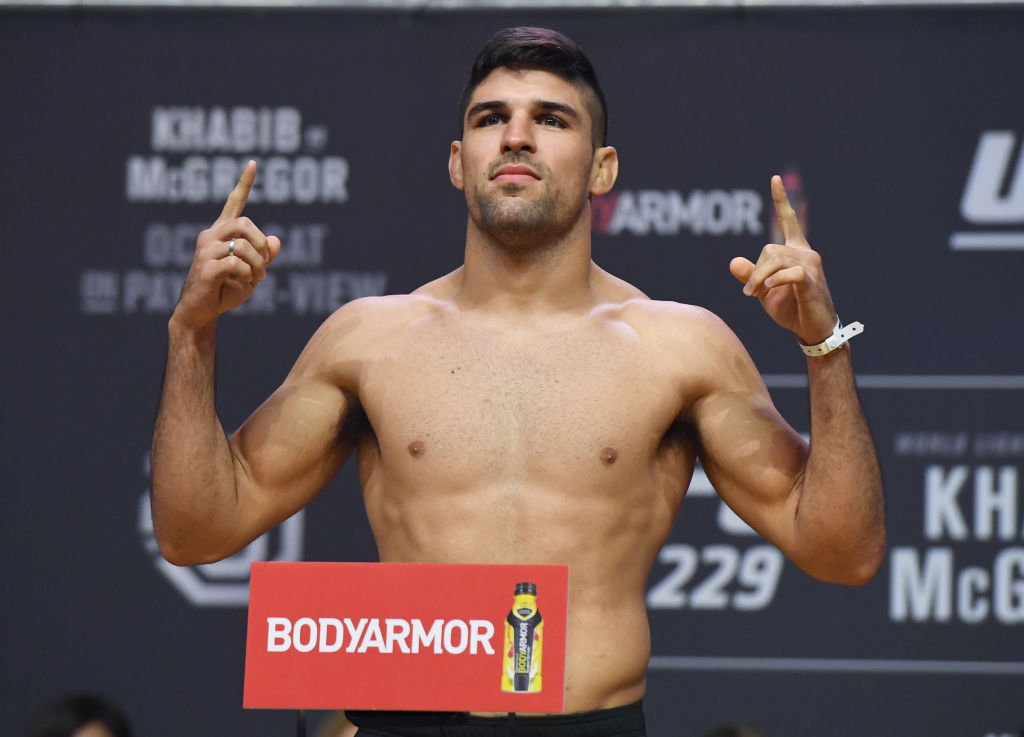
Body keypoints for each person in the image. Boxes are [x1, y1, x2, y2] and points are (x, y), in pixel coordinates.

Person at [151, 26, 885, 737]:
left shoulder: (678, 346)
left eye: (551, 119)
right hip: (410, 724)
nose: (516, 136)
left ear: (602, 168)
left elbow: (843, 551)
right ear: (456, 160)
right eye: (491, 117)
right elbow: (196, 530)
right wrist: (193, 333)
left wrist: (824, 346)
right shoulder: (368, 339)